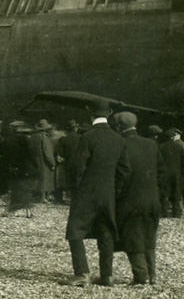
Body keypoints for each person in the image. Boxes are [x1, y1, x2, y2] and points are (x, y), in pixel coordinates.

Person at [65, 101, 122, 287]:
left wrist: (76, 189)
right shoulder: (118, 139)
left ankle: (82, 273)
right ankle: (107, 275)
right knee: (106, 232)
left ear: (90, 116)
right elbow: (125, 170)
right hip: (108, 193)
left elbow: (78, 167)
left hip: (87, 192)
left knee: (75, 230)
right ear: (109, 115)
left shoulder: (88, 137)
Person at [113, 112, 163, 285]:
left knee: (133, 237)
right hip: (152, 198)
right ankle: (153, 275)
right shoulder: (151, 144)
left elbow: (119, 175)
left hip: (130, 199)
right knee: (149, 236)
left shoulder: (120, 144)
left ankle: (141, 276)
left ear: (119, 127)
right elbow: (160, 172)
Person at [157, 128, 184, 218]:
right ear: (173, 136)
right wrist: (182, 173)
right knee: (176, 193)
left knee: (165, 193)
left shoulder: (161, 147)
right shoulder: (179, 147)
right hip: (176, 173)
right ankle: (176, 213)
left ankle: (165, 213)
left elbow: (159, 161)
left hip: (165, 173)